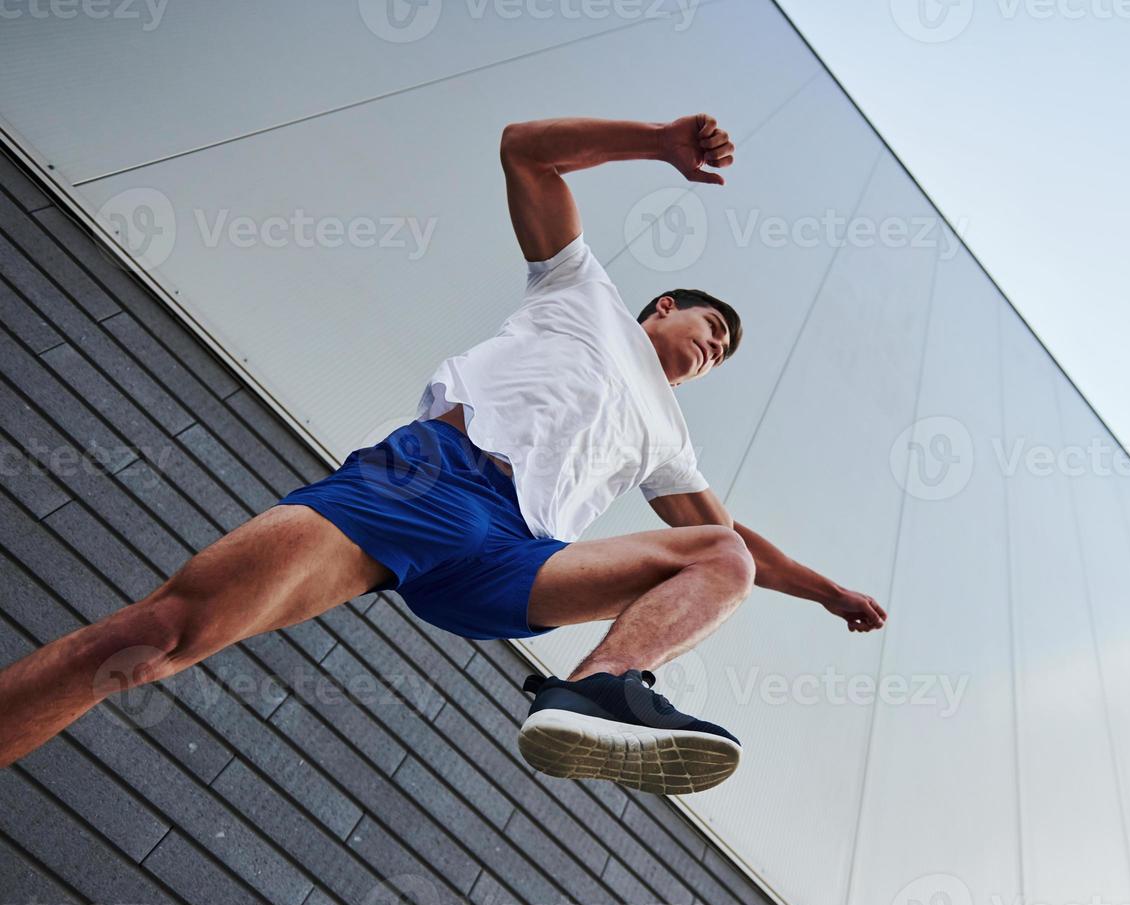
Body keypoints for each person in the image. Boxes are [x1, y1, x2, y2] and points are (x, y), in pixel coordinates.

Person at [0, 114, 888, 794]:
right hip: (431, 483)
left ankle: (596, 688)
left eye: (725, 353)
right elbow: (526, 151)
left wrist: (825, 593)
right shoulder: (585, 292)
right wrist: (657, 142)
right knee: (157, 638)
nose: (715, 348)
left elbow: (739, 548)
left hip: (516, 556)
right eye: (713, 327)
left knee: (719, 554)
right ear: (664, 307)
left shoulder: (670, 437)